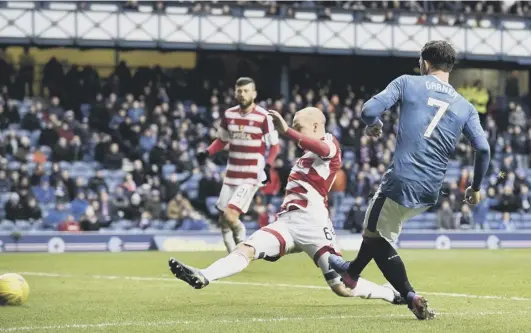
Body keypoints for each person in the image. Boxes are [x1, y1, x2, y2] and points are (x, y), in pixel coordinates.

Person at [168, 107, 405, 305]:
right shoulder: (303, 158)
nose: (293, 129)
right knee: (246, 248)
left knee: (341, 286)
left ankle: (390, 294)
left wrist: (287, 131)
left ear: (314, 127)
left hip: (314, 224)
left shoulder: (330, 143)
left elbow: (323, 149)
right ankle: (203, 276)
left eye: (297, 125)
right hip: (286, 223)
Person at [328, 40, 491, 320]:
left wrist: (375, 124)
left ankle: (410, 295)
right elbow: (484, 148)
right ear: (450, 68)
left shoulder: (407, 82)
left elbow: (368, 111)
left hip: (402, 179)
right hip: (431, 190)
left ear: (424, 63)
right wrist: (475, 188)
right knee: (377, 229)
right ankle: (352, 272)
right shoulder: (465, 106)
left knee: (374, 236)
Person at [196, 77, 280, 253]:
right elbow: (222, 140)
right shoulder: (229, 115)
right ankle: (231, 254)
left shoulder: (263, 116)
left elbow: (275, 146)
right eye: (239, 91)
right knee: (223, 218)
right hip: (232, 173)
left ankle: (241, 239)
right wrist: (207, 152)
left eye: (246, 91)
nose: (242, 94)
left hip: (251, 174)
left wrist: (268, 164)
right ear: (235, 92)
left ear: (254, 93)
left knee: (230, 214)